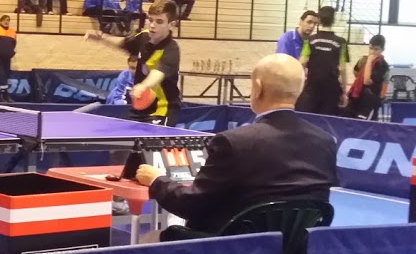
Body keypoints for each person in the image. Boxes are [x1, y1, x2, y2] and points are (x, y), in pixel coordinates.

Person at [135, 53, 338, 240]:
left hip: (232, 252)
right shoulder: (326, 141)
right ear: (300, 89)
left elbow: (191, 205)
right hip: (294, 253)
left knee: (150, 239)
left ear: (258, 87)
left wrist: (156, 180)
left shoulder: (234, 142)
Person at [84, 0, 182, 125]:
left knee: (152, 137)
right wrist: (101, 37)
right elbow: (123, 43)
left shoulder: (171, 49)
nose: (152, 25)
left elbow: (158, 73)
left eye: (159, 21)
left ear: (171, 25)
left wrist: (144, 86)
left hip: (162, 110)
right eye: (150, 20)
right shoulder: (143, 37)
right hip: (139, 109)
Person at [296, 6, 349, 116]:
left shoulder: (309, 40)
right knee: (327, 120)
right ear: (333, 20)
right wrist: (344, 92)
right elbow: (342, 68)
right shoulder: (341, 42)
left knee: (308, 118)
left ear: (319, 20)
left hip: (312, 87)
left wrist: (298, 85)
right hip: (331, 89)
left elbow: (302, 63)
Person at [345, 34, 388, 120]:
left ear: (382, 50)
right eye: (371, 48)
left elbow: (366, 81)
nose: (372, 52)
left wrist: (369, 61)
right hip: (356, 97)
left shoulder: (382, 65)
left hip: (370, 100)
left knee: (364, 123)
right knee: (348, 120)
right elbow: (356, 72)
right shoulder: (362, 60)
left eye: (376, 49)